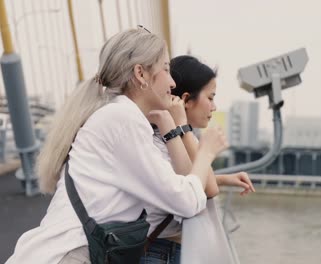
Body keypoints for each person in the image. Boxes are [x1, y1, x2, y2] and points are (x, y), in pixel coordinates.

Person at [6, 28, 227, 264]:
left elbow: (172, 186)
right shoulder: (122, 120)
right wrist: (206, 152)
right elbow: (185, 201)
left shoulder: (119, 116)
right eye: (165, 69)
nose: (172, 82)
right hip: (68, 256)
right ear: (140, 73)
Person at [140, 55, 255, 264]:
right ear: (185, 100)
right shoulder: (161, 139)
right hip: (156, 253)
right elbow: (209, 190)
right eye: (210, 98)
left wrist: (225, 178)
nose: (214, 107)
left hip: (164, 250)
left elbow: (189, 179)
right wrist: (185, 129)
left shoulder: (172, 135)